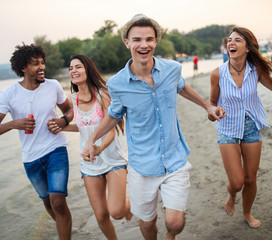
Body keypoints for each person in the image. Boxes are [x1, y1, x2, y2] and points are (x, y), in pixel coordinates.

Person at [81, 14, 226, 240]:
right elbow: (112, 115)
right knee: (148, 224)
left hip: (174, 158)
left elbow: (181, 87)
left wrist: (207, 106)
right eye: (137, 39)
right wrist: (92, 140)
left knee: (175, 222)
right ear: (127, 42)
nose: (144, 45)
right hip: (142, 165)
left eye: (149, 39)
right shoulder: (117, 84)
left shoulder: (172, 69)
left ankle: (171, 236)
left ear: (156, 41)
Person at [48, 55, 132, 239]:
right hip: (89, 164)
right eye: (71, 68)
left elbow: (110, 129)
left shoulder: (104, 94)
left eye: (78, 67)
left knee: (117, 212)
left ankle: (127, 203)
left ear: (88, 70)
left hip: (112, 159)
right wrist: (61, 126)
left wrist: (98, 148)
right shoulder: (74, 98)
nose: (73, 71)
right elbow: (84, 125)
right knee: (101, 215)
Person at [209, 27, 272, 228]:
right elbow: (211, 105)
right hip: (228, 129)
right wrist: (214, 111)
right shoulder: (218, 74)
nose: (231, 43)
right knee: (237, 182)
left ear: (248, 47)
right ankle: (231, 194)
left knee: (250, 179)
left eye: (238, 40)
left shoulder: (255, 70)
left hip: (251, 126)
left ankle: (247, 213)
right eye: (230, 40)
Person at [0, 44, 73, 239]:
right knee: (48, 203)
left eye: (42, 63)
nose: (41, 67)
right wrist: (14, 123)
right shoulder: (9, 94)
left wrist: (63, 120)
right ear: (23, 68)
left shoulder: (53, 86)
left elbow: (69, 109)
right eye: (35, 64)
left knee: (58, 201)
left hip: (56, 149)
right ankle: (66, 229)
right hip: (30, 157)